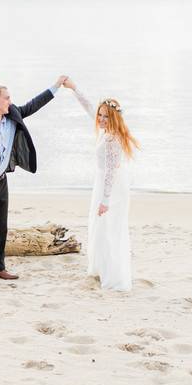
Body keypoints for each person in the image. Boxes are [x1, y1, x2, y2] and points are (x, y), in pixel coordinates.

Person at [0, 76, 67, 287]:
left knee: (0, 228)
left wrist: (56, 86)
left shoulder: (13, 114)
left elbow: (33, 105)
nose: (10, 101)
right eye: (6, 98)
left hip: (2, 183)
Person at [62, 77, 139, 291]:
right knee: (99, 227)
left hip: (112, 187)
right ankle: (99, 268)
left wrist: (105, 200)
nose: (101, 119)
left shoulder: (114, 140)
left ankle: (114, 275)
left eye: (106, 116)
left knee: (109, 229)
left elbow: (111, 173)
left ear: (114, 118)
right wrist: (74, 88)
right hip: (103, 183)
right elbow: (89, 107)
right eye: (100, 115)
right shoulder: (105, 130)